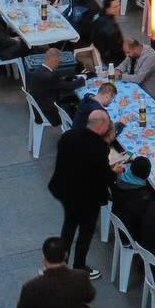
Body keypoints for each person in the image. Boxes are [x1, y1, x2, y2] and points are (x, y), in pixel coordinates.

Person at [48, 110, 123, 279]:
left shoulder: (69, 135)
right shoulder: (98, 148)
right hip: (86, 199)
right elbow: (104, 177)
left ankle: (59, 264)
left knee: (68, 227)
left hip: (64, 190)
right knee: (85, 232)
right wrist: (115, 172)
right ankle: (79, 266)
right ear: (102, 126)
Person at [29, 47, 84, 125]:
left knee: (73, 100)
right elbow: (68, 87)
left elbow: (59, 83)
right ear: (54, 60)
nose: (58, 64)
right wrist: (83, 79)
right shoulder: (49, 76)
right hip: (50, 114)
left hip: (42, 108)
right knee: (82, 112)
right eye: (59, 62)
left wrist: (70, 78)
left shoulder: (38, 70)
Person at [110, 157, 155, 237]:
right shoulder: (143, 197)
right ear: (147, 175)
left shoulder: (118, 177)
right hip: (130, 233)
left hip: (116, 218)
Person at [92, 0, 126, 67]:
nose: (118, 8)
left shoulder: (98, 15)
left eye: (119, 5)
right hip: (112, 60)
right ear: (108, 9)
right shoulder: (109, 27)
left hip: (102, 52)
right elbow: (116, 49)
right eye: (115, 7)